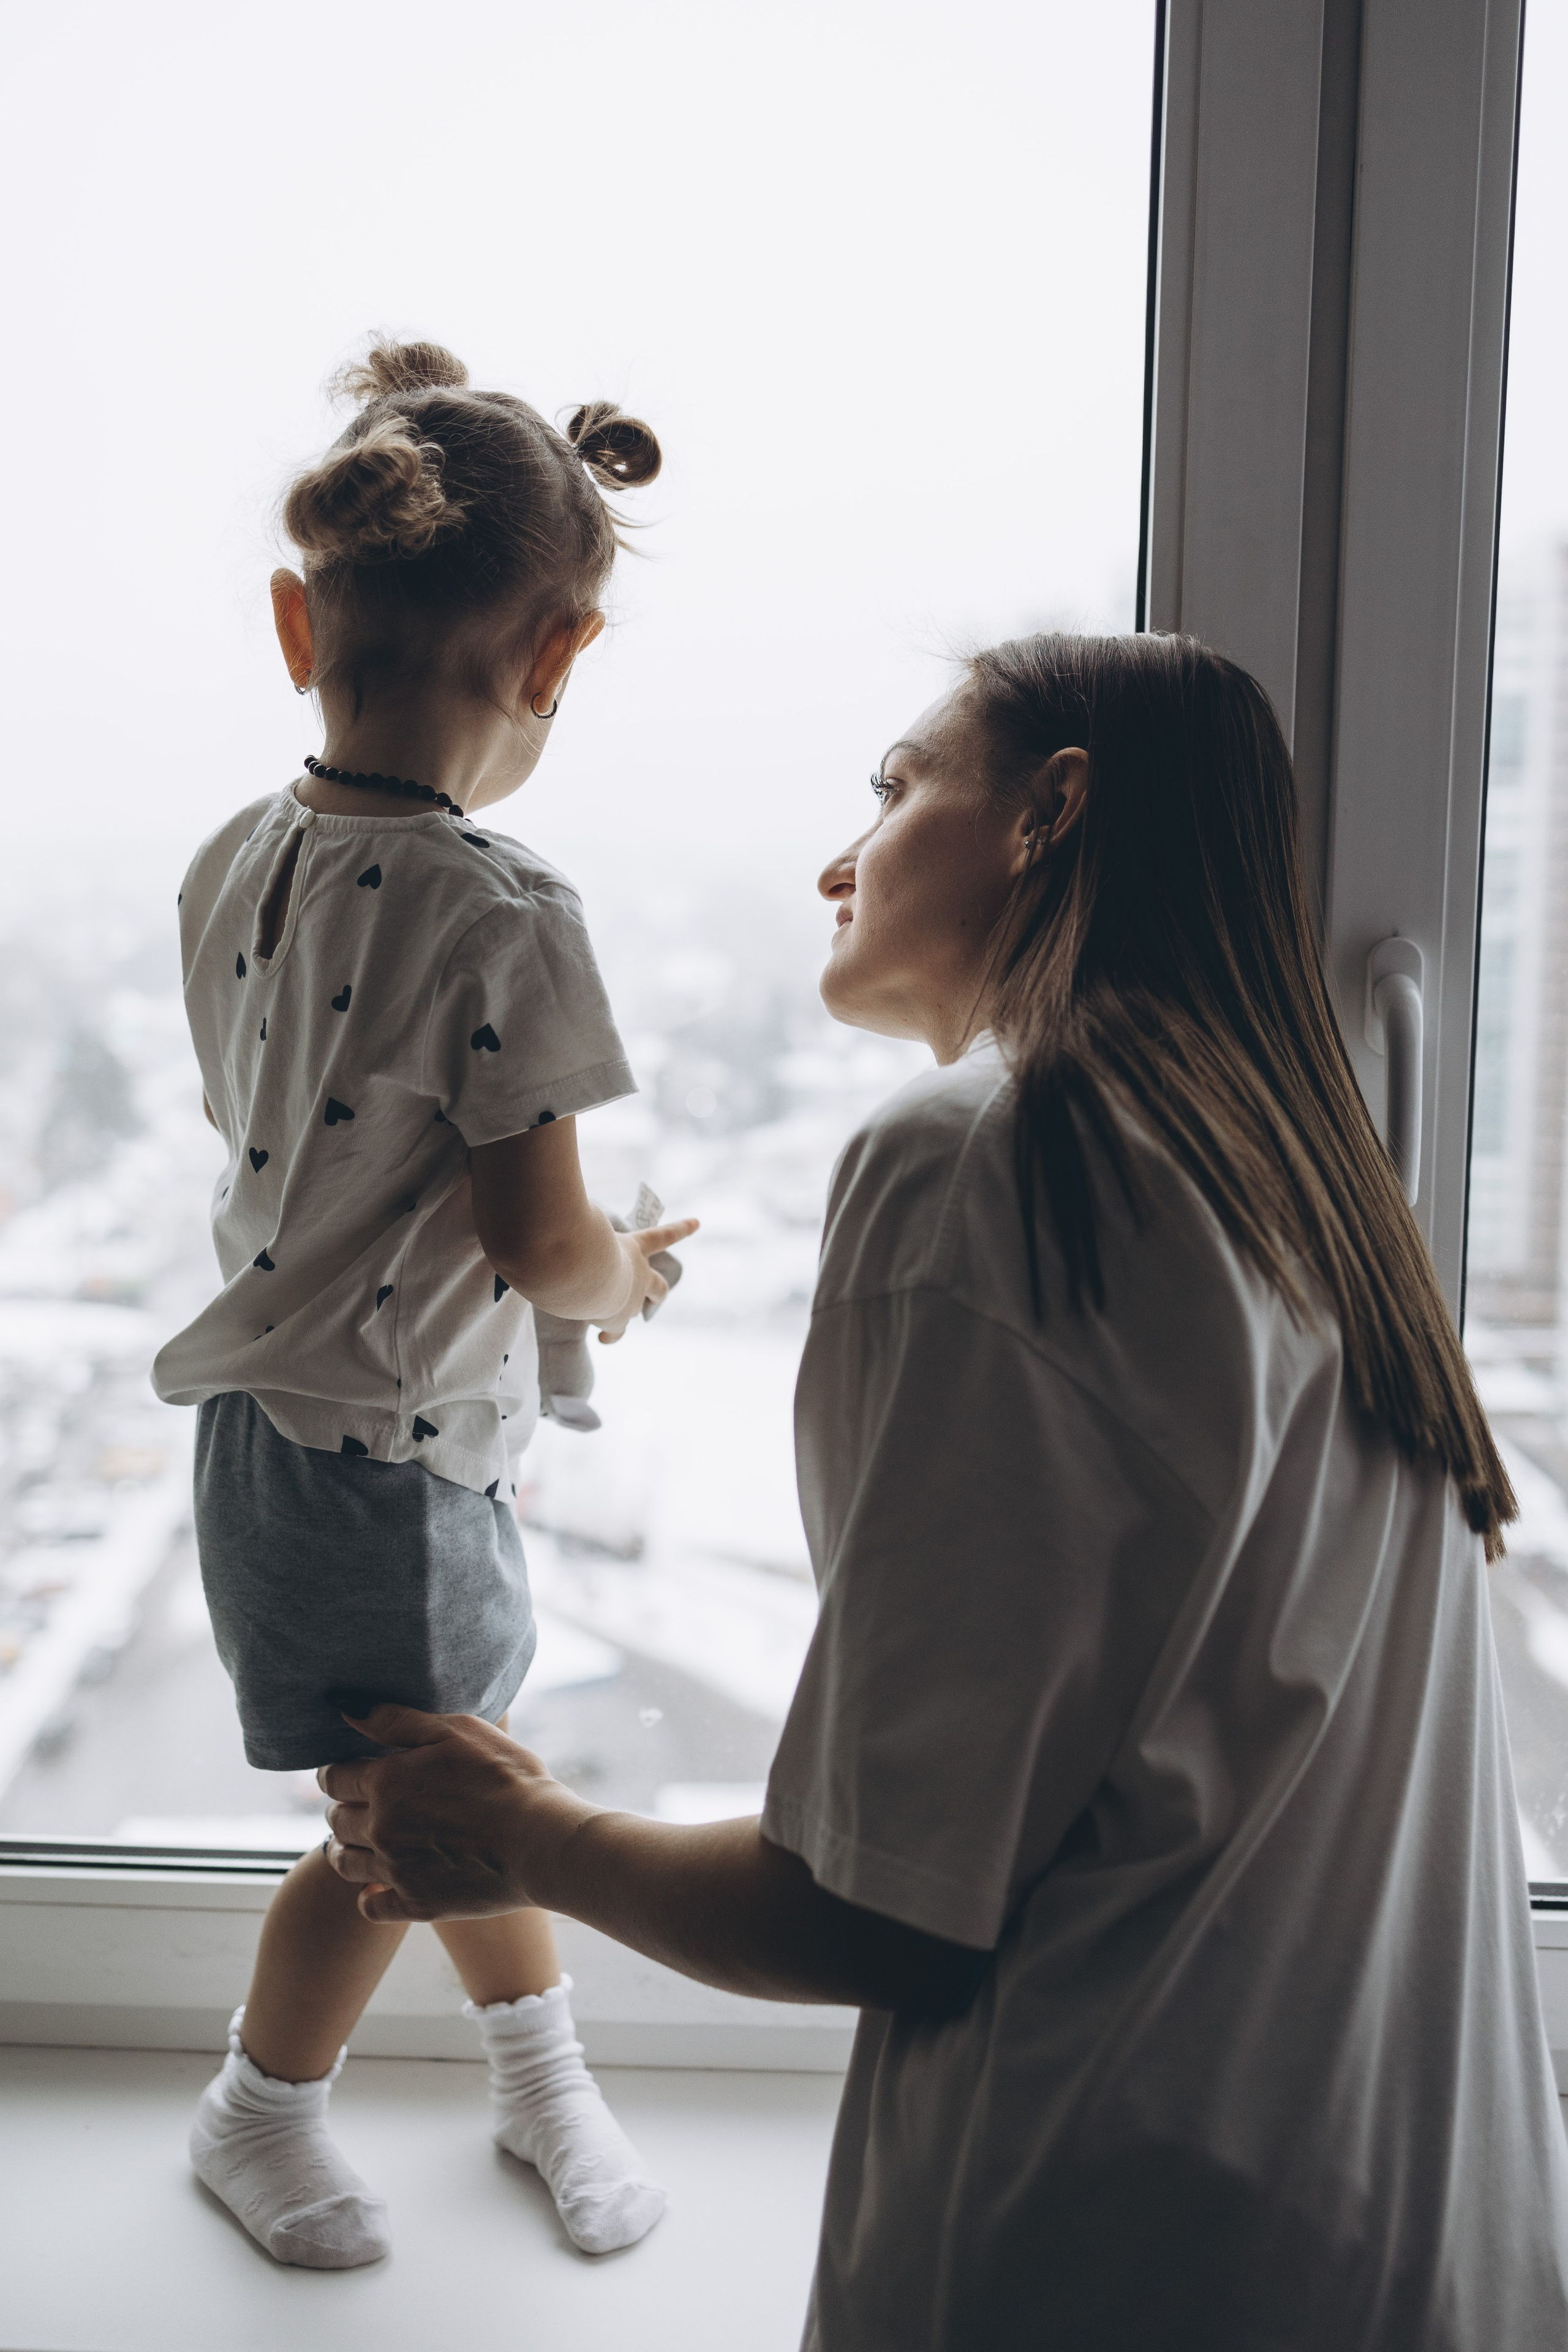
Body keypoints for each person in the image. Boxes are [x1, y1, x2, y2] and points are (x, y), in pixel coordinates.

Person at [318, 632, 1568, 2349]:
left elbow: (872, 1906)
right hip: (1420, 2238)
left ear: (1051, 812)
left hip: (1125, 2247)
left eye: (895, 788)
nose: (839, 862)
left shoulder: (998, 1160)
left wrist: (522, 1833)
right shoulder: (1300, 1174)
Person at [151, 337, 695, 2271]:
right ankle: (265, 2110)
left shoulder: (239, 856)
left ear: (301, 618)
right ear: (558, 655)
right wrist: (630, 1272)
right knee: (412, 1814)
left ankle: (533, 2078)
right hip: (379, 1461)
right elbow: (544, 1246)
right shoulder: (504, 913)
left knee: (455, 1783)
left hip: (281, 1432)